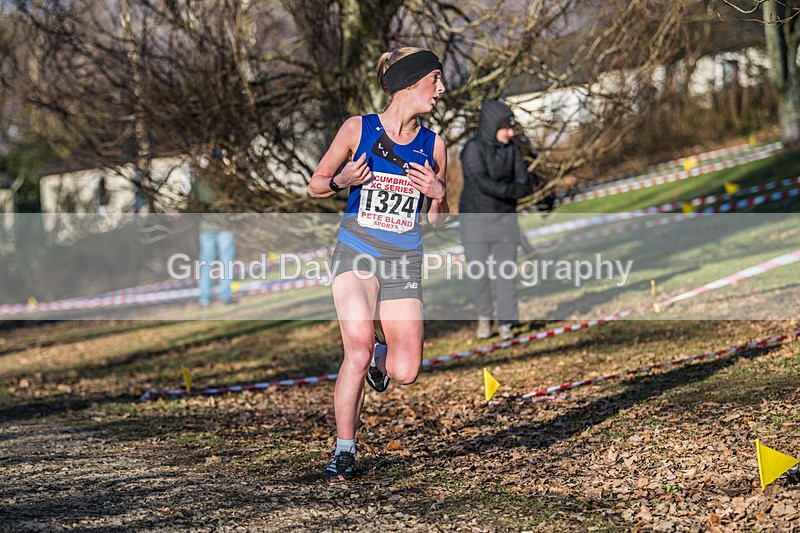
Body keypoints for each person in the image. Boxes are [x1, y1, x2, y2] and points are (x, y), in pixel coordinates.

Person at [307, 47, 448, 481]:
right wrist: (341, 181)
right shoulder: (358, 129)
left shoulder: (435, 145)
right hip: (357, 250)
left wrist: (438, 195)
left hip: (404, 259)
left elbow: (436, 222)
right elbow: (316, 185)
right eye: (435, 80)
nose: (441, 89)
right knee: (357, 348)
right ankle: (344, 451)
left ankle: (377, 360)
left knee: (405, 371)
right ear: (410, 83)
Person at [459, 100, 533, 340]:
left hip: (505, 223)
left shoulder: (511, 151)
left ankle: (506, 323)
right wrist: (511, 192)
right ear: (492, 126)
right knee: (479, 276)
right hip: (475, 223)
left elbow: (525, 184)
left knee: (506, 275)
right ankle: (484, 317)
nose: (510, 133)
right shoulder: (472, 150)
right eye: (506, 128)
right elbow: (482, 183)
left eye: (511, 128)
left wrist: (509, 192)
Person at [191, 153, 236, 308]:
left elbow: (193, 202)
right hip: (224, 226)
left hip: (206, 227)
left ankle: (204, 299)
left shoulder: (199, 181)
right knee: (226, 263)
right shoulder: (225, 179)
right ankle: (225, 296)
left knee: (206, 264)